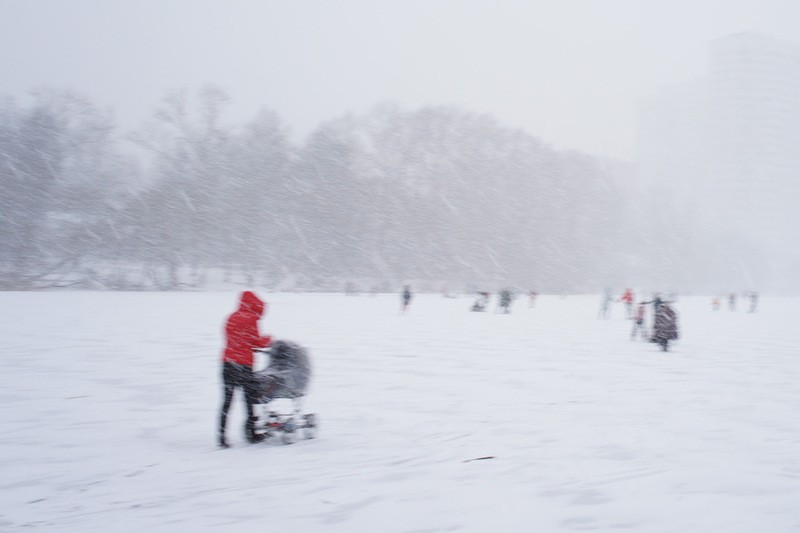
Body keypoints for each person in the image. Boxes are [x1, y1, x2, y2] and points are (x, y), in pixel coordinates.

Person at [218, 290, 272, 448]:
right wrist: (268, 339)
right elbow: (256, 342)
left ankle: (221, 436)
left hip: (227, 363)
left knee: (227, 401)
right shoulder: (251, 318)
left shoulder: (231, 317)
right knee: (249, 399)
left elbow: (233, 339)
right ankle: (252, 433)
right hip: (244, 366)